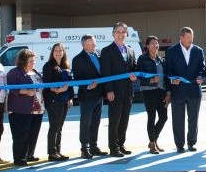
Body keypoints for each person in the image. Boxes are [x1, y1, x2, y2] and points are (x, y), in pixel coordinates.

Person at [164, 27, 205, 153]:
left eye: (191, 37)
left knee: (193, 119)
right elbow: (168, 70)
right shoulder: (171, 51)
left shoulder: (198, 50)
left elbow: (202, 68)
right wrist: (172, 79)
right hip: (178, 91)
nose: (190, 40)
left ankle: (191, 143)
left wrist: (200, 76)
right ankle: (179, 145)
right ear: (181, 37)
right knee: (177, 119)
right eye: (188, 38)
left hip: (194, 91)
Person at [100, 22, 138, 157]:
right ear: (113, 34)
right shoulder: (107, 51)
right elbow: (106, 72)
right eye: (118, 32)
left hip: (128, 91)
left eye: (123, 32)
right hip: (114, 92)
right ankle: (113, 147)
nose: (121, 34)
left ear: (126, 34)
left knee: (124, 120)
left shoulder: (130, 50)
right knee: (114, 120)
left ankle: (121, 144)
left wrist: (135, 76)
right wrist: (109, 90)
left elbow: (134, 68)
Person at [7, 49, 44, 166]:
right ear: (23, 61)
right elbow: (12, 88)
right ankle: (19, 158)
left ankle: (29, 155)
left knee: (33, 133)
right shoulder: (15, 72)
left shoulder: (35, 72)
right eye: (31, 61)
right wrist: (26, 92)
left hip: (37, 108)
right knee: (21, 135)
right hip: (20, 109)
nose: (33, 63)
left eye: (34, 61)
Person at [72, 35, 107, 159]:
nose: (95, 45)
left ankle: (94, 146)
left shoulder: (98, 55)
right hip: (87, 96)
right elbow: (77, 78)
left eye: (95, 43)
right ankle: (84, 148)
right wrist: (87, 87)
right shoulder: (77, 59)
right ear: (84, 45)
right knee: (86, 122)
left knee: (96, 122)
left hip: (99, 95)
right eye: (92, 44)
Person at [136, 36, 170, 154]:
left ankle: (153, 140)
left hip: (161, 91)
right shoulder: (142, 59)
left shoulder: (161, 60)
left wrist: (168, 92)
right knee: (151, 117)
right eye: (153, 43)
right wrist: (150, 80)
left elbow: (166, 78)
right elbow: (139, 76)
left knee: (164, 117)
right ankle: (152, 143)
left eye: (157, 43)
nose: (156, 45)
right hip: (149, 91)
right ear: (147, 46)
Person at [42, 43, 74, 161]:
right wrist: (58, 91)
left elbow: (69, 85)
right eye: (56, 50)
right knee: (54, 127)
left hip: (65, 100)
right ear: (52, 52)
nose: (58, 52)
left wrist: (70, 98)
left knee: (59, 127)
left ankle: (57, 151)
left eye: (60, 50)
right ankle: (52, 152)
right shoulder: (48, 66)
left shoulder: (66, 65)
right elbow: (47, 84)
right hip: (54, 100)